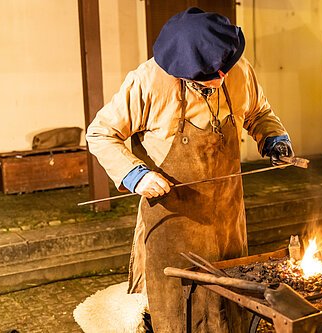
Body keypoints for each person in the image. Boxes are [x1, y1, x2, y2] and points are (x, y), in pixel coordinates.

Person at [86, 7, 293, 332]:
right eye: (212, 74)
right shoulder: (148, 82)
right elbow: (100, 133)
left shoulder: (237, 70)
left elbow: (258, 111)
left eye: (224, 68)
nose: (222, 77)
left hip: (228, 220)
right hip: (175, 226)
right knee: (179, 313)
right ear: (184, 70)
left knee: (229, 306)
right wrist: (136, 174)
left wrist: (273, 137)